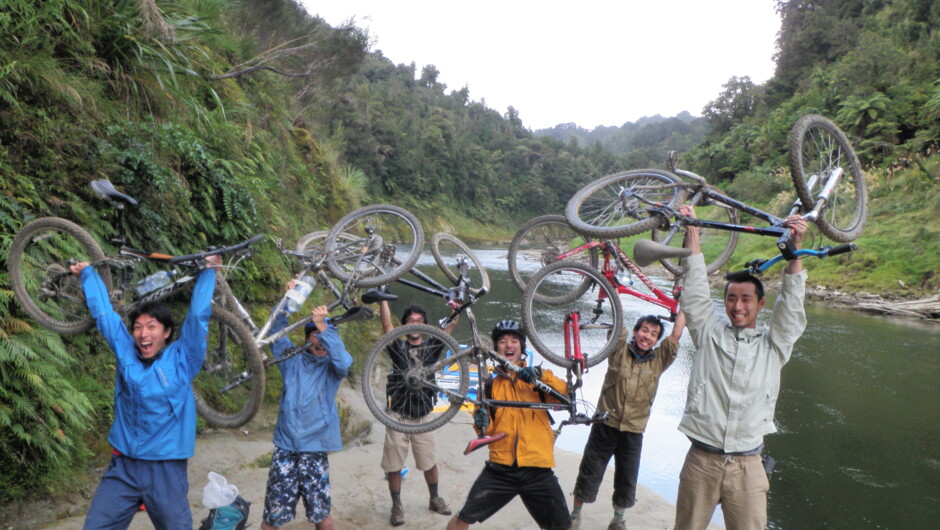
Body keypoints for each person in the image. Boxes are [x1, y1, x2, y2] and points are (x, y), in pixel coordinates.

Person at [674, 205, 808, 530]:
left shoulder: (774, 346)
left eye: (746, 299)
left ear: (761, 304)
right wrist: (692, 230)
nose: (738, 306)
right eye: (731, 298)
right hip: (701, 462)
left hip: (749, 466)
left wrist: (794, 252)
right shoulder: (708, 333)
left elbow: (791, 307)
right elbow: (694, 292)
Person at [71, 255, 221, 529]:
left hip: (165, 468)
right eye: (138, 327)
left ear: (167, 332)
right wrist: (88, 275)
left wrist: (208, 272)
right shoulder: (126, 350)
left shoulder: (183, 358)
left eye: (151, 327)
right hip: (124, 467)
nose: (143, 334)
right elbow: (105, 315)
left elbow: (198, 316)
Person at [447, 320, 571, 530]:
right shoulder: (489, 387)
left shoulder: (538, 380)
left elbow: (565, 396)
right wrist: (480, 420)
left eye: (514, 340)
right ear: (496, 349)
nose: (508, 345)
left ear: (522, 347)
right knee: (463, 518)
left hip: (538, 469)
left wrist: (540, 376)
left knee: (562, 526)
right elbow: (487, 431)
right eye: (503, 341)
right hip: (500, 468)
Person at [571, 311, 687, 530]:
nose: (648, 336)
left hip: (633, 431)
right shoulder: (618, 351)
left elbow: (676, 335)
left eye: (654, 334)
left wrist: (686, 304)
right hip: (605, 425)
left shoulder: (659, 361)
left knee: (627, 477)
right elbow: (618, 321)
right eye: (644, 330)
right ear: (635, 332)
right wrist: (612, 286)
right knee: (589, 471)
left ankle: (618, 520)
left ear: (656, 340)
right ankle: (575, 514)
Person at [261, 282, 352, 530]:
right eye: (315, 335)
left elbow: (344, 361)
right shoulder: (291, 360)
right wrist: (288, 297)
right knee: (272, 517)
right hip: (285, 448)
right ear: (306, 338)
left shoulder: (333, 368)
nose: (320, 341)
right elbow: (276, 330)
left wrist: (323, 325)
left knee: (321, 515)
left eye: (324, 336)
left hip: (315, 448)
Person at [378, 301, 457, 526]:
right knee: (393, 465)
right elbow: (386, 325)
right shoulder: (397, 347)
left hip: (423, 416)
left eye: (420, 321)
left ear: (425, 325)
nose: (415, 324)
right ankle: (396, 506)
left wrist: (455, 311)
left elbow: (449, 329)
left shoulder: (431, 348)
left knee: (429, 461)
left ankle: (434, 498)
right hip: (397, 416)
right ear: (404, 324)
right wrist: (383, 299)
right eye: (411, 321)